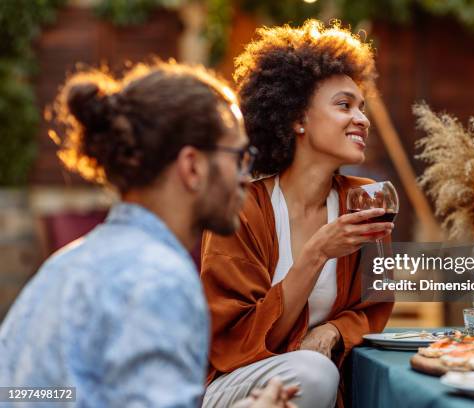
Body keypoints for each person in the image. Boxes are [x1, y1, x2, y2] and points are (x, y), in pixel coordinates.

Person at [0, 62, 292, 407]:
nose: (247, 176)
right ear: (193, 167)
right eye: (240, 156)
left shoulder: (62, 267)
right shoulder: (159, 280)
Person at [201, 20, 395, 408]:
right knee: (314, 372)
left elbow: (372, 309)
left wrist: (332, 332)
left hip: (316, 382)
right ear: (297, 118)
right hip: (240, 383)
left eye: (362, 107)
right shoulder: (241, 208)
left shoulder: (365, 203)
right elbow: (234, 342)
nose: (362, 119)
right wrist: (316, 254)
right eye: (344, 105)